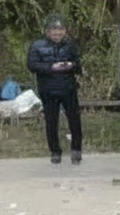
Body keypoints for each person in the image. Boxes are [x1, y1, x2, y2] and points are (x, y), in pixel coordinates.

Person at [26, 14, 83, 165]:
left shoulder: (70, 45)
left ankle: (76, 149)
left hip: (68, 88)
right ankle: (55, 151)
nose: (57, 33)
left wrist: (71, 65)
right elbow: (32, 65)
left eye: (60, 30)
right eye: (54, 30)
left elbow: (78, 64)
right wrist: (51, 67)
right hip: (48, 90)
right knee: (51, 122)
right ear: (47, 31)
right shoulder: (37, 46)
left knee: (74, 120)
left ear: (65, 31)